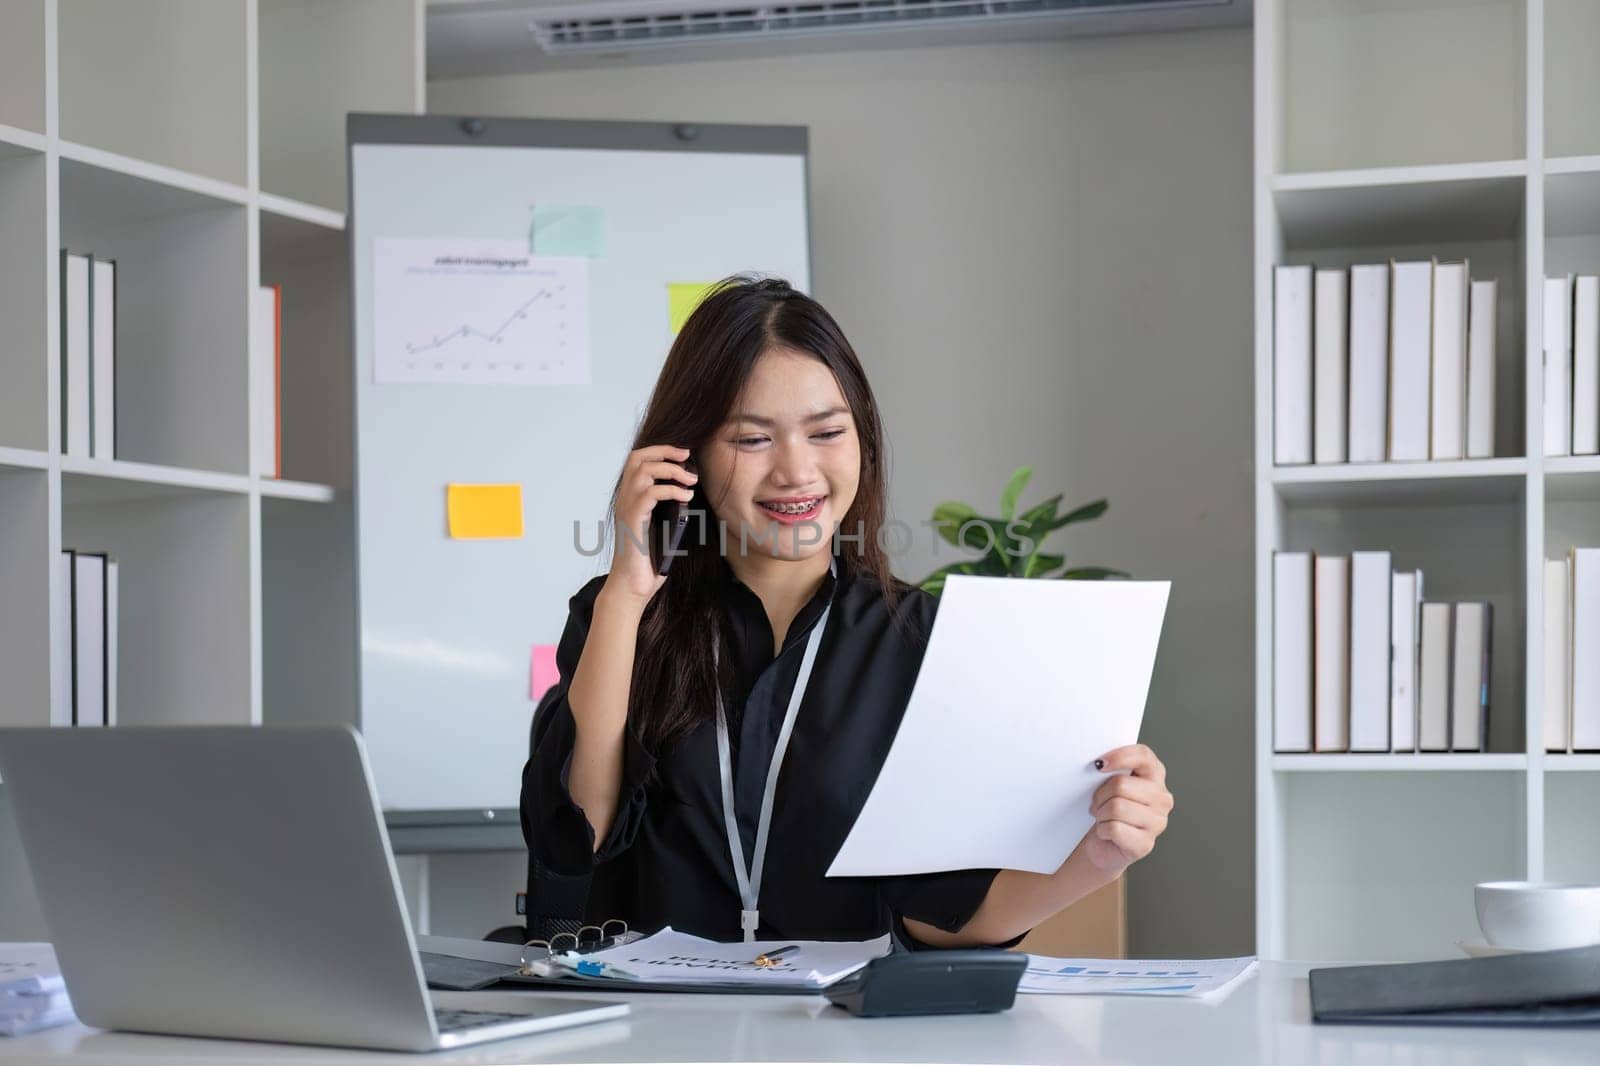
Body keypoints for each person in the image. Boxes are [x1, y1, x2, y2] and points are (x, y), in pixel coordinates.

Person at [520, 275, 1173, 948]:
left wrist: (1098, 858)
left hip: (841, 1036)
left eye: (827, 432)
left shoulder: (920, 639)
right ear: (686, 457)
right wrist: (627, 593)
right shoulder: (621, 618)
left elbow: (938, 910)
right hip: (657, 1035)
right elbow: (577, 836)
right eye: (752, 440)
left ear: (863, 440)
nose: (796, 471)